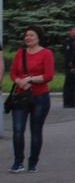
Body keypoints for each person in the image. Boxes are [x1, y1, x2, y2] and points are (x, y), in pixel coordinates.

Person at [9, 26, 55, 173]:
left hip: (39, 97)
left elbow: (48, 76)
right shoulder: (20, 53)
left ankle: (32, 162)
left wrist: (30, 79)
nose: (28, 38)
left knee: (35, 131)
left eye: (31, 35)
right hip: (20, 96)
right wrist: (19, 81)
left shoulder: (46, 53)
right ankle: (18, 162)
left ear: (38, 37)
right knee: (17, 129)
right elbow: (13, 73)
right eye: (26, 35)